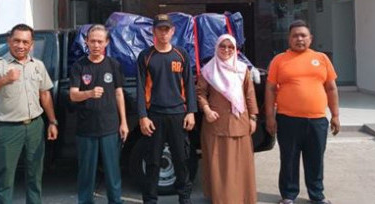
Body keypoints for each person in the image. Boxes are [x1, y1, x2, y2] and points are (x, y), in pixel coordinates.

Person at [0, 23, 59, 204]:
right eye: (16, 41)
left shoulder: (37, 65)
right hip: (9, 129)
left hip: (35, 127)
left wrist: (53, 122)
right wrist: (4, 79)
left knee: (35, 175)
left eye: (25, 42)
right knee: (5, 178)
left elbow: (45, 94)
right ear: (9, 41)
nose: (20, 45)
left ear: (31, 45)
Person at [264, 20, 340, 204]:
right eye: (295, 36)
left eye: (303, 35)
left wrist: (335, 115)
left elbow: (331, 88)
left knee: (315, 159)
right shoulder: (279, 60)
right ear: (289, 39)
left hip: (317, 120)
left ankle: (317, 196)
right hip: (288, 120)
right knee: (289, 159)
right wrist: (269, 118)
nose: (299, 39)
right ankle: (289, 196)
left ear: (310, 38)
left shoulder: (321, 59)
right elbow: (271, 89)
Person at [136, 14, 197, 204]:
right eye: (159, 29)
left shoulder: (181, 54)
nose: (163, 33)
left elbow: (189, 85)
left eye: (166, 29)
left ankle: (184, 198)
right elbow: (140, 87)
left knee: (181, 159)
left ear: (172, 31)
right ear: (153, 32)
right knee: (153, 161)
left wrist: (191, 112)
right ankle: (150, 199)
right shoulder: (146, 56)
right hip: (154, 115)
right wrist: (142, 116)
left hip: (178, 114)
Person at [69, 24, 129, 204]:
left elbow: (119, 93)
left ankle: (115, 201)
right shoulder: (79, 66)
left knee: (113, 172)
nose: (96, 45)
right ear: (86, 41)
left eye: (100, 41)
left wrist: (124, 122)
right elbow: (73, 94)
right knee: (86, 173)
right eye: (92, 41)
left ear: (107, 43)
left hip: (110, 127)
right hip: (86, 129)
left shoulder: (113, 65)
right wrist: (89, 93)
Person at [196, 34, 258, 204]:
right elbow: (200, 92)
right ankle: (221, 198)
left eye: (230, 47)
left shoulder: (242, 69)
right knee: (219, 163)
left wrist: (253, 117)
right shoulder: (209, 70)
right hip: (216, 123)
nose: (226, 50)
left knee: (240, 162)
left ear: (235, 49)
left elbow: (249, 94)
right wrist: (207, 110)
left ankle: (242, 197)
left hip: (240, 122)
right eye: (222, 46)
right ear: (217, 48)